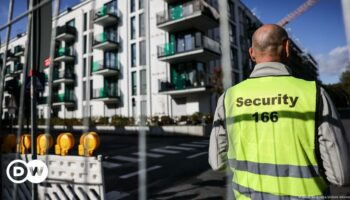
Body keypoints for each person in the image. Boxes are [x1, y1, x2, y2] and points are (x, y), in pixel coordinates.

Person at [209, 24, 350, 199]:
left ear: (252, 53)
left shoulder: (227, 99)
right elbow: (340, 175)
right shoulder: (314, 94)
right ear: (286, 47)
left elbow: (216, 162)